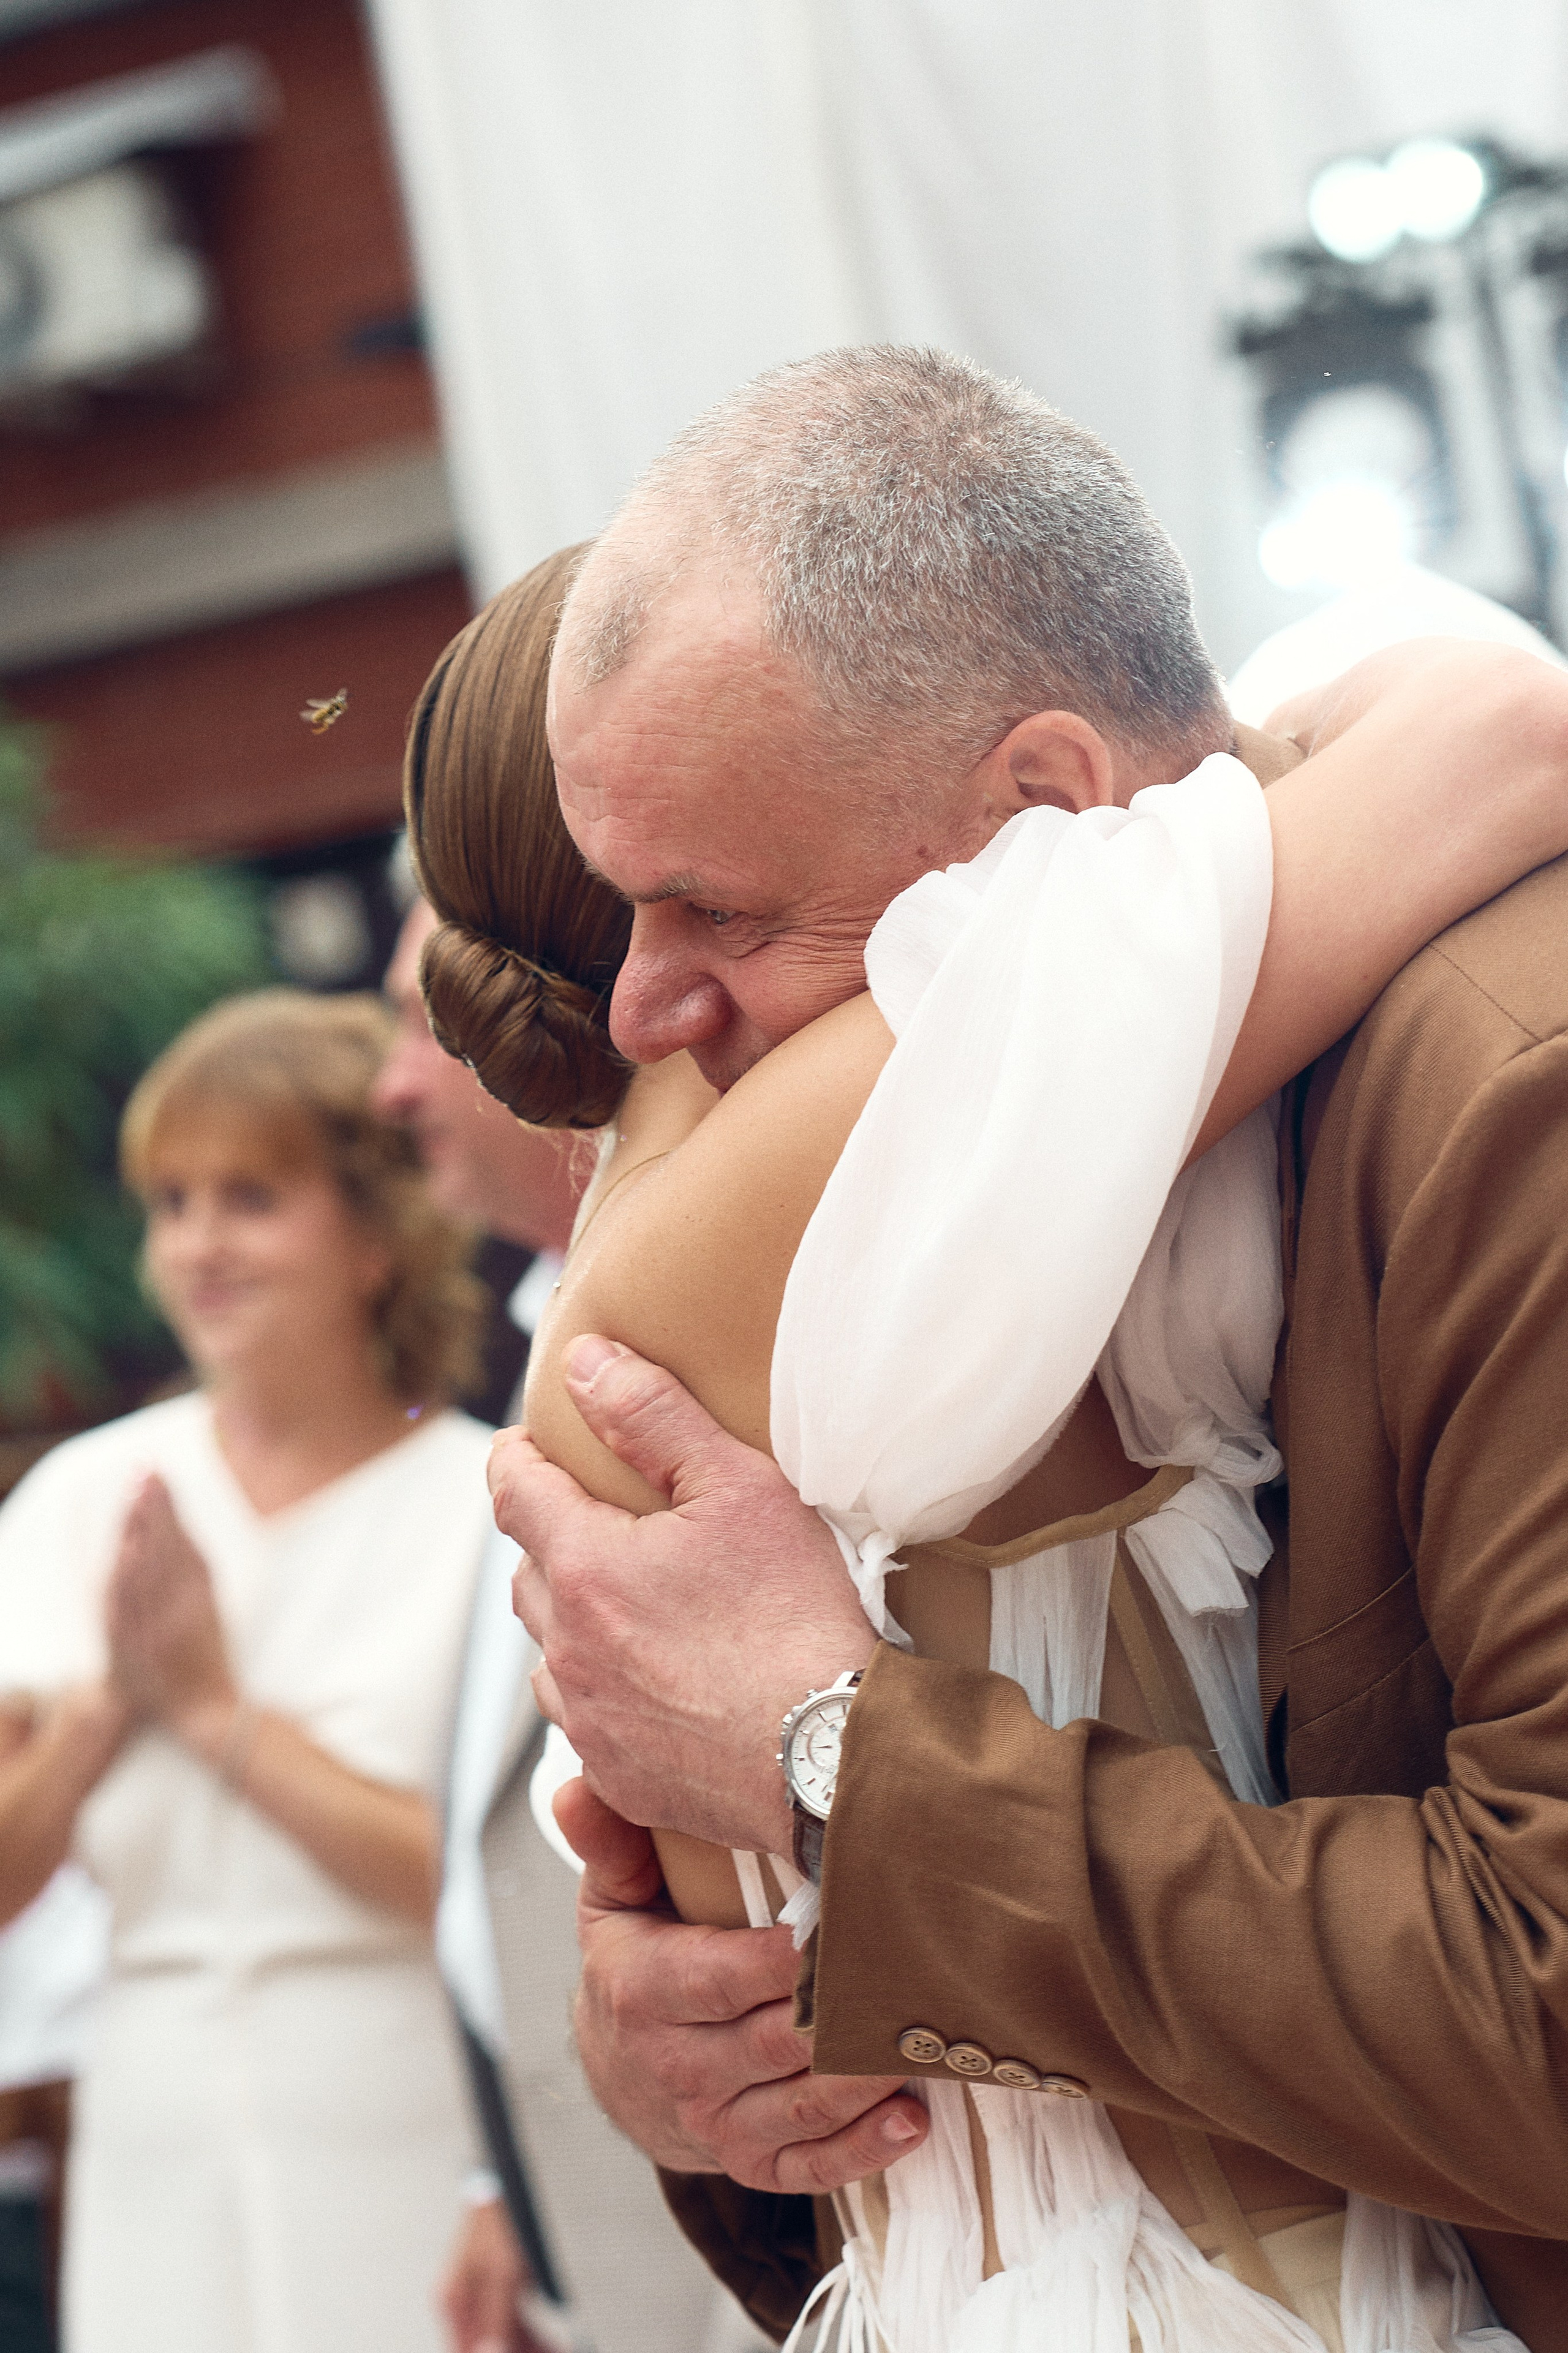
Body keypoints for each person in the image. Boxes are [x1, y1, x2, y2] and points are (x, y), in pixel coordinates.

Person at [448, 349, 1568, 2346]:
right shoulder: (957, 1231)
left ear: (1050, 812)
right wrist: (700, 2078)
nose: (640, 1017)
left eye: (711, 906)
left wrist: (833, 1761)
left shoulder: (1510, 1101)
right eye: (620, 911)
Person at [0, 989, 492, 2353]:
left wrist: (219, 1714)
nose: (198, 1246)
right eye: (171, 1202)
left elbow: (490, 1893)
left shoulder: (484, 1509)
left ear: (379, 1236)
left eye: (251, 1198)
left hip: (418, 2130)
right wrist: (114, 1702)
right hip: (147, 2140)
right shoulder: (84, 1501)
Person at [374, 790, 748, 2353]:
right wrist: (503, 2185)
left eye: (420, 1020)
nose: (390, 1088)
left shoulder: (688, 1334)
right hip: (596, 2255)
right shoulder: (549, 1323)